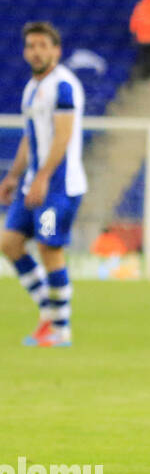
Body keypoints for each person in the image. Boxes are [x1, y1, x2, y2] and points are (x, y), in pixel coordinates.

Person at [0, 23, 85, 347]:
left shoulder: (63, 85)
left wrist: (43, 177)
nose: (36, 51)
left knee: (50, 249)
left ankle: (61, 329)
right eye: (31, 46)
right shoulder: (32, 87)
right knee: (9, 243)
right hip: (33, 182)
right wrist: (14, 175)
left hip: (58, 186)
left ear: (56, 50)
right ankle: (49, 314)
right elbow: (30, 137)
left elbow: (63, 135)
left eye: (42, 45)